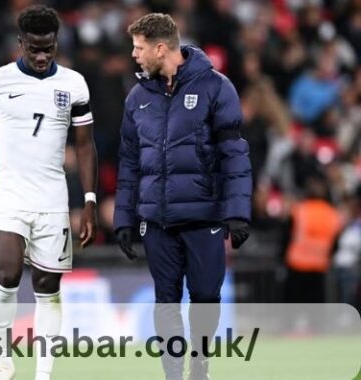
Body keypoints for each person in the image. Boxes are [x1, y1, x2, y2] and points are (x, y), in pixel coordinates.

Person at [0, 5, 98, 380]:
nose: (40, 55)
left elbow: (84, 145)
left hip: (52, 200)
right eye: (33, 48)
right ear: (20, 43)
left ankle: (43, 373)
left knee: (48, 285)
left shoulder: (74, 84)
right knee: (7, 272)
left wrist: (90, 199)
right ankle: (3, 362)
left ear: (56, 43)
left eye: (47, 48)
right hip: (9, 195)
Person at [113, 13, 252, 380]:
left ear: (161, 48)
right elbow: (129, 163)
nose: (134, 55)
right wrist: (124, 218)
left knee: (206, 298)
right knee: (166, 301)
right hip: (156, 221)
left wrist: (238, 211)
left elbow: (234, 154)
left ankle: (200, 368)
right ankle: (174, 375)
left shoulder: (216, 87)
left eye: (139, 48)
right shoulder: (137, 97)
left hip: (204, 217)